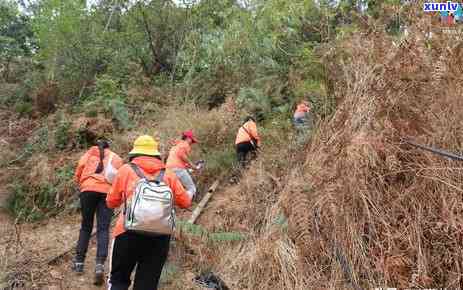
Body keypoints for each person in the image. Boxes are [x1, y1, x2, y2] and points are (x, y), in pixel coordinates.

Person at [106, 135, 192, 290]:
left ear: (135, 153)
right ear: (156, 154)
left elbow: (111, 201)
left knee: (118, 280)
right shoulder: (168, 174)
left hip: (127, 233)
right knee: (147, 285)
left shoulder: (125, 170)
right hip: (159, 238)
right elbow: (185, 202)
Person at [73, 139, 123, 285]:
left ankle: (79, 263)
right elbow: (119, 179)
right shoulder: (116, 157)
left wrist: (82, 184)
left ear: (96, 146)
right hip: (106, 192)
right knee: (103, 228)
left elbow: (79, 171)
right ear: (109, 146)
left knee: (86, 226)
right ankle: (100, 265)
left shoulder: (89, 154)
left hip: (87, 190)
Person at [166, 130, 199, 200]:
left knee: (172, 191)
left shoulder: (176, 145)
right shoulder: (185, 144)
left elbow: (177, 159)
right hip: (177, 169)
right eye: (192, 141)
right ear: (188, 138)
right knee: (192, 188)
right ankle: (186, 201)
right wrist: (193, 166)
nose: (191, 143)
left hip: (168, 171)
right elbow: (181, 155)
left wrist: (188, 165)